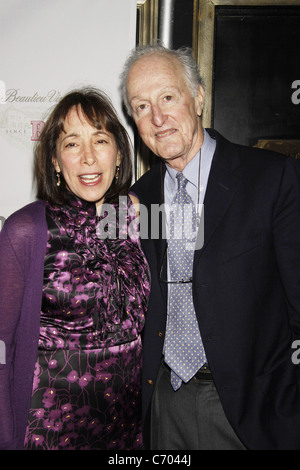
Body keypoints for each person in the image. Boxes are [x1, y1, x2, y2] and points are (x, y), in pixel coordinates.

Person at [120, 44, 300, 450]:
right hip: (166, 405)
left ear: (198, 97)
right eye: (142, 106)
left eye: (168, 97)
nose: (158, 118)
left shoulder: (270, 179)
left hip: (255, 412)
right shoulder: (137, 201)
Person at [0, 87, 150, 450]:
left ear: (118, 154)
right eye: (71, 144)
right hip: (48, 431)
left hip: (125, 429)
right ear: (54, 160)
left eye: (100, 140)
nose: (87, 157)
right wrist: (6, 437)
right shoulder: (26, 229)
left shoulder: (133, 215)